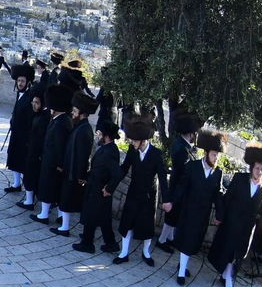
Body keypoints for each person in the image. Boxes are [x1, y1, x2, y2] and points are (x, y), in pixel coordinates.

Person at [207, 143, 262, 287]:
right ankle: (229, 281)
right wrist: (220, 216)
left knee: (238, 254)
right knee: (228, 251)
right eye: (257, 168)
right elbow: (227, 198)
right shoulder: (239, 178)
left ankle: (226, 277)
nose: (259, 172)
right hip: (232, 222)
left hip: (247, 228)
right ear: (252, 168)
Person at [164, 130, 225, 286]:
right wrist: (171, 202)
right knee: (186, 241)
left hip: (202, 216)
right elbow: (181, 187)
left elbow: (217, 195)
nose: (216, 157)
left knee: (192, 244)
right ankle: (181, 272)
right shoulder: (192, 167)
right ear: (206, 153)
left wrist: (219, 214)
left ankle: (182, 265)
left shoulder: (218, 173)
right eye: (213, 154)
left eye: (217, 155)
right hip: (188, 212)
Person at [114, 110, 168, 266]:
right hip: (133, 193)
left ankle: (146, 253)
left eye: (134, 140)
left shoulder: (157, 154)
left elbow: (163, 178)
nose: (131, 143)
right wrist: (110, 186)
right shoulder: (132, 150)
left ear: (143, 140)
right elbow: (124, 169)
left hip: (149, 196)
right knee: (127, 223)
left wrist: (167, 200)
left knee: (146, 226)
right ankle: (124, 253)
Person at [73, 118, 123, 255]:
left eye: (100, 134)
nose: (98, 136)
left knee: (91, 216)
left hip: (99, 190)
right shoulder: (107, 149)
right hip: (95, 186)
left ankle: (87, 244)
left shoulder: (109, 153)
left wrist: (108, 189)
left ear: (106, 136)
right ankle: (111, 243)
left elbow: (117, 174)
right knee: (104, 219)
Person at [53, 90, 98, 237]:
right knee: (64, 199)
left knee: (66, 200)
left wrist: (79, 175)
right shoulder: (80, 127)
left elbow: (83, 156)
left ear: (82, 113)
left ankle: (65, 228)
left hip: (74, 173)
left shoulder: (84, 131)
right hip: (69, 170)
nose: (72, 113)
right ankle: (63, 226)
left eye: (75, 111)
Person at [156, 112, 202, 254]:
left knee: (174, 216)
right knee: (172, 216)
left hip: (179, 186)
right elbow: (182, 171)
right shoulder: (183, 149)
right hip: (178, 187)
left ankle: (169, 238)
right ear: (191, 133)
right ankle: (162, 240)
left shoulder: (182, 144)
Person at [32, 84, 72, 224]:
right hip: (49, 160)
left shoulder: (61, 123)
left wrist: (58, 164)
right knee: (48, 187)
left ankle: (44, 215)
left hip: (53, 163)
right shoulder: (59, 120)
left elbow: (60, 146)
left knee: (48, 188)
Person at [4, 69, 35, 196]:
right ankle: (16, 184)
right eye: (18, 81)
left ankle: (27, 190)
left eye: (22, 81)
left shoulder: (29, 97)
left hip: (23, 136)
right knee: (13, 158)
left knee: (21, 161)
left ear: (27, 82)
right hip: (16, 134)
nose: (20, 83)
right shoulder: (20, 94)